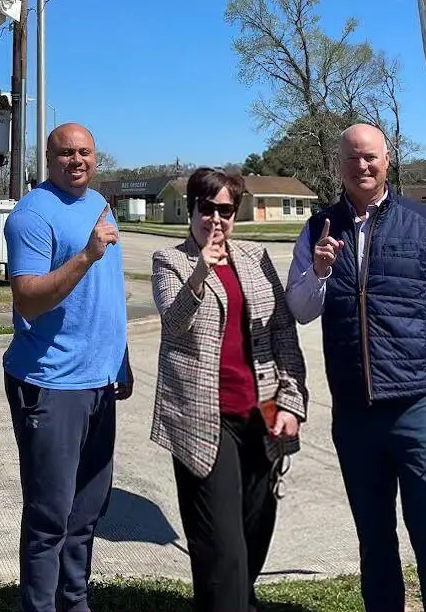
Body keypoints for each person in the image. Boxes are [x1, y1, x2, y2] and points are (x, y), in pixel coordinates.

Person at [288, 123, 426, 612]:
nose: (363, 166)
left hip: (414, 407)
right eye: (353, 157)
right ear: (340, 164)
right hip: (354, 412)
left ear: (387, 160)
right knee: (374, 541)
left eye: (371, 157)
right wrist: (317, 272)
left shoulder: (425, 223)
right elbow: (300, 308)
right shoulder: (318, 228)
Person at [150, 166, 309, 612]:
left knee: (254, 532)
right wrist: (201, 272)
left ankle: (232, 598)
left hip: (259, 414)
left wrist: (291, 402)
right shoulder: (171, 260)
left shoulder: (256, 258)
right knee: (222, 546)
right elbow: (173, 322)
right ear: (192, 209)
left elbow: (283, 334)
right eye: (207, 208)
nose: (216, 219)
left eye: (226, 210)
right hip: (203, 421)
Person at [3, 122, 133, 612]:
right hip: (51, 384)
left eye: (84, 153)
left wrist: (119, 359)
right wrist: (85, 255)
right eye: (65, 153)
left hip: (100, 382)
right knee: (49, 517)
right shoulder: (32, 215)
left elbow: (108, 295)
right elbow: (28, 300)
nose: (76, 160)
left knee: (86, 512)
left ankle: (74, 601)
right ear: (48, 158)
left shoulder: (99, 203)